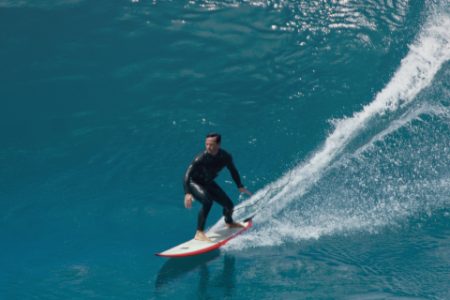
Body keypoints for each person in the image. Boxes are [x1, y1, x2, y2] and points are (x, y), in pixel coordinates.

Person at [183, 133, 252, 242]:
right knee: (207, 201)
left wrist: (239, 186)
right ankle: (199, 232)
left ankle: (229, 222)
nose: (208, 147)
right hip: (194, 182)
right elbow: (187, 174)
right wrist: (187, 193)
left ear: (218, 144)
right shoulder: (201, 158)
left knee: (229, 206)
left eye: (211, 144)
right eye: (206, 144)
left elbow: (233, 170)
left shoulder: (225, 157)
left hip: (207, 182)